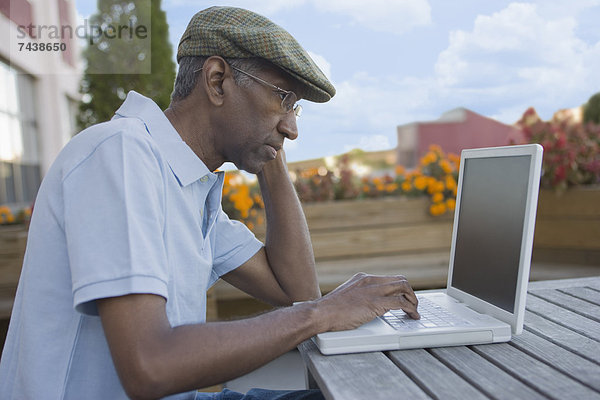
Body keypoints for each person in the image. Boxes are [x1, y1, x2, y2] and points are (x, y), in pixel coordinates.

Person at [0, 6, 419, 400]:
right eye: (284, 98)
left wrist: (270, 156)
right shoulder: (121, 155)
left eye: (297, 109)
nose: (292, 128)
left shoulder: (187, 184)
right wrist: (323, 314)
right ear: (217, 80)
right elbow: (150, 365)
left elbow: (296, 291)